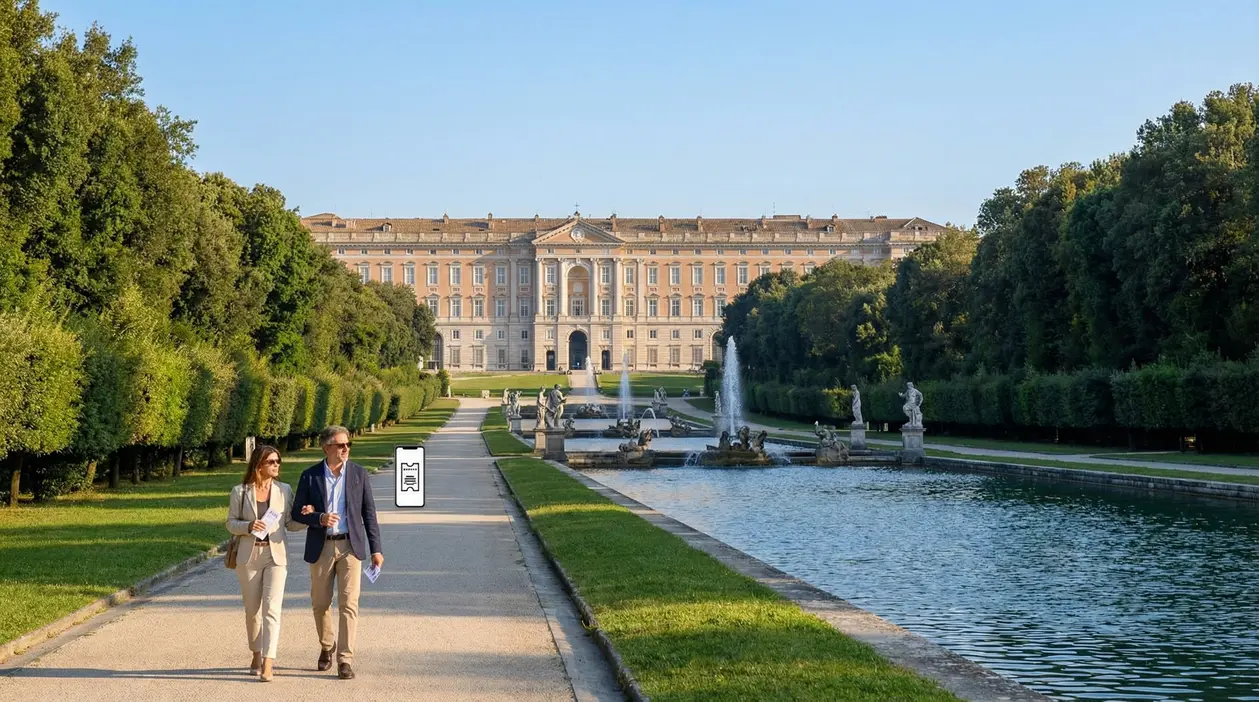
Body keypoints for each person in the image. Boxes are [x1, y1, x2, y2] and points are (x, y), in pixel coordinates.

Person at [292, 425, 384, 680]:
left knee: (349, 603)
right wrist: (319, 518)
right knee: (320, 603)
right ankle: (326, 645)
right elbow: (296, 512)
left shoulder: (358, 474)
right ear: (326, 448)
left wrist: (376, 549)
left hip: (350, 547)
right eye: (340, 445)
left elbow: (369, 514)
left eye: (348, 445)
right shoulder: (310, 476)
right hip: (321, 546)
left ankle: (345, 659)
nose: (345, 449)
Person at [225, 445, 306, 682]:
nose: (276, 465)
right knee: (253, 611)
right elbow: (230, 523)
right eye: (271, 461)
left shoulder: (284, 490)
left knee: (273, 609)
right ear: (258, 464)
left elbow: (290, 523)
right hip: (249, 556)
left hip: (276, 556)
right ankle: (256, 653)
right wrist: (249, 527)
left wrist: (308, 518)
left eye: (278, 461)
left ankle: (269, 662)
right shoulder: (240, 492)